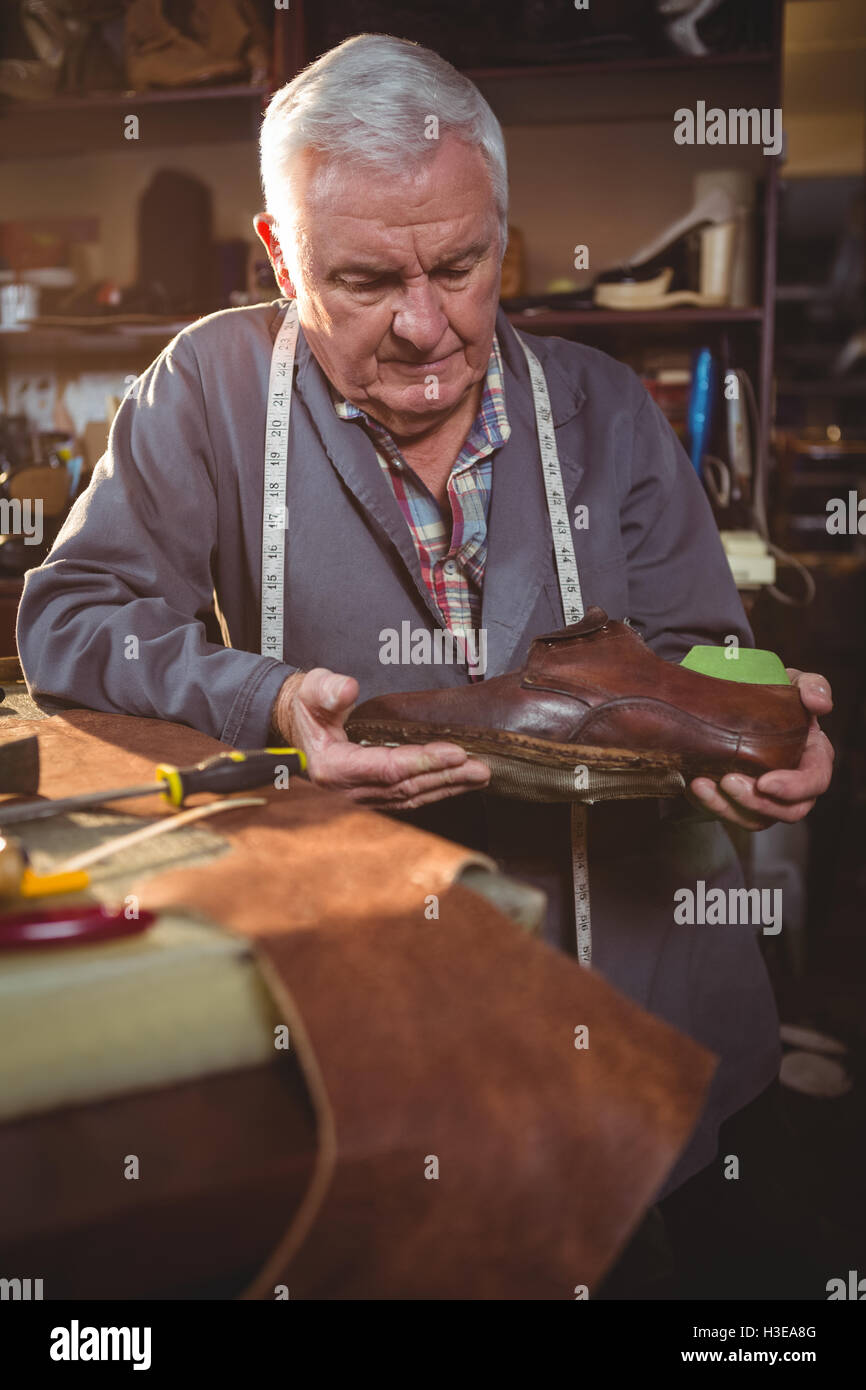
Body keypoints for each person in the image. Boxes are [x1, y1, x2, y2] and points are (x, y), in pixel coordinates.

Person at [18, 35, 833, 1207]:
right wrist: (269, 702)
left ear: (503, 229)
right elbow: (73, 620)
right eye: (363, 281)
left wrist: (754, 742)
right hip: (377, 1011)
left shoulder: (603, 407)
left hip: (648, 1002)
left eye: (460, 265)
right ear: (278, 254)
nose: (423, 326)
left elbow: (694, 653)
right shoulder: (209, 388)